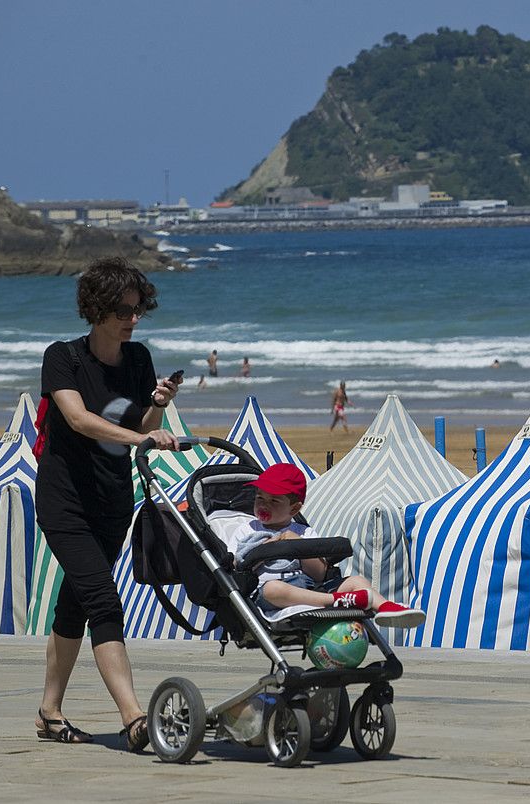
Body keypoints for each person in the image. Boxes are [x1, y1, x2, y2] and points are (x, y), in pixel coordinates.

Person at [35, 256, 182, 751]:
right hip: (65, 501)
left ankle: (49, 712)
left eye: (138, 309)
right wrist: (141, 439)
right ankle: (135, 717)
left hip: (113, 499)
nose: (132, 318)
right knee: (102, 598)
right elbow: (79, 420)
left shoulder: (139, 360)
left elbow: (135, 429)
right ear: (95, 308)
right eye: (122, 309)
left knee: (75, 602)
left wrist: (157, 406)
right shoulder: (63, 358)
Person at [208, 464, 425, 628]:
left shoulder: (304, 532)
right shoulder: (248, 530)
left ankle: (386, 607)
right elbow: (238, 564)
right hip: (267, 591)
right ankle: (336, 601)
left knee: (357, 580)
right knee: (275, 589)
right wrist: (266, 548)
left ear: (294, 509)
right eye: (259, 498)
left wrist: (296, 544)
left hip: (307, 587)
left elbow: (320, 574)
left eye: (274, 501)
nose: (263, 505)